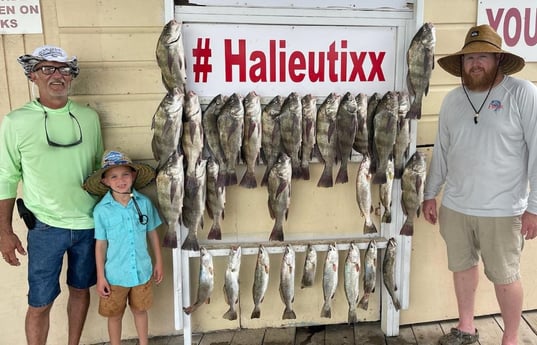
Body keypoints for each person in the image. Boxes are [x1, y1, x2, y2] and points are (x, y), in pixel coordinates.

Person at [422, 24, 537, 345]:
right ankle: (466, 328)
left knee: (506, 277)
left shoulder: (522, 93)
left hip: (504, 210)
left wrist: (535, 207)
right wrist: (430, 194)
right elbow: (442, 152)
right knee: (462, 268)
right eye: (469, 57)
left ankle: (511, 338)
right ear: (460, 63)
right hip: (456, 206)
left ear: (498, 59)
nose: (475, 63)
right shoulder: (452, 100)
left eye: (483, 56)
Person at [0, 45, 104, 345]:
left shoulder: (89, 118)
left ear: (71, 78)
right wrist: (4, 231)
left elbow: (98, 169)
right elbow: (6, 177)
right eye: (47, 69)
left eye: (64, 70)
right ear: (33, 75)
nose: (56, 75)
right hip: (45, 227)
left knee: (81, 289)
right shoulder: (15, 121)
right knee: (40, 302)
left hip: (88, 225)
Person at [83, 150, 163, 345]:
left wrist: (159, 262)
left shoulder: (144, 203)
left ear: (133, 176)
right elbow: (100, 245)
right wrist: (100, 276)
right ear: (105, 181)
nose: (121, 180)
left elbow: (152, 232)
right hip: (114, 275)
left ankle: (144, 342)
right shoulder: (102, 210)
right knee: (114, 314)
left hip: (141, 271)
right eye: (114, 176)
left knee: (140, 310)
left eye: (125, 174)